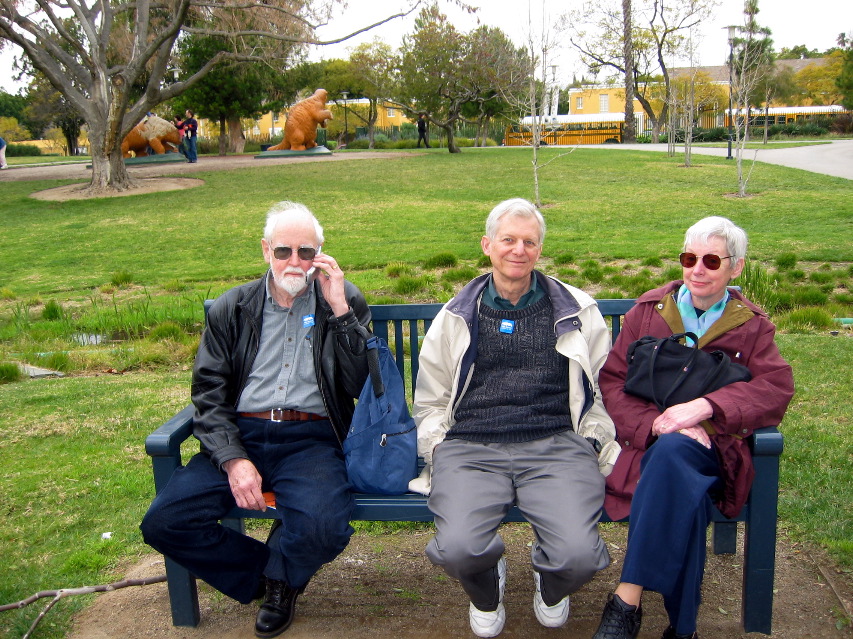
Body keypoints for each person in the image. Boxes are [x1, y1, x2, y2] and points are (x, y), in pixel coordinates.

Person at [141, 201, 372, 638]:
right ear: (266, 250)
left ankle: (281, 581)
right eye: (284, 251)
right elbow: (208, 394)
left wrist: (341, 311)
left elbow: (363, 384)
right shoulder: (234, 307)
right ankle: (272, 579)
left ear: (321, 254)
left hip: (311, 438)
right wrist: (231, 458)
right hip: (240, 432)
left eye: (307, 252)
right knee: (164, 521)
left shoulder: (343, 301)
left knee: (324, 527)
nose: (295, 262)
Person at [410, 198, 620, 637]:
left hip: (556, 445)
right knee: (460, 550)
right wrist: (440, 445)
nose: (518, 250)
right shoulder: (455, 316)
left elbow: (603, 389)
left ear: (539, 250)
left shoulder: (577, 311)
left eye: (529, 241)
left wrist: (593, 439)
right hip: (471, 447)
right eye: (508, 239)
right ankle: (487, 587)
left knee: (579, 556)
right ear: (488, 245)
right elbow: (431, 401)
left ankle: (551, 584)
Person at [591, 216, 794, 639]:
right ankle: (682, 630)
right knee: (686, 491)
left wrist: (705, 407)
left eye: (711, 260)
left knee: (676, 464)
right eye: (689, 258)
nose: (697, 269)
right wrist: (657, 425)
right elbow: (612, 380)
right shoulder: (648, 312)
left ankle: (626, 602)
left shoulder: (752, 325)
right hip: (651, 446)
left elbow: (775, 389)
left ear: (735, 268)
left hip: (713, 449)